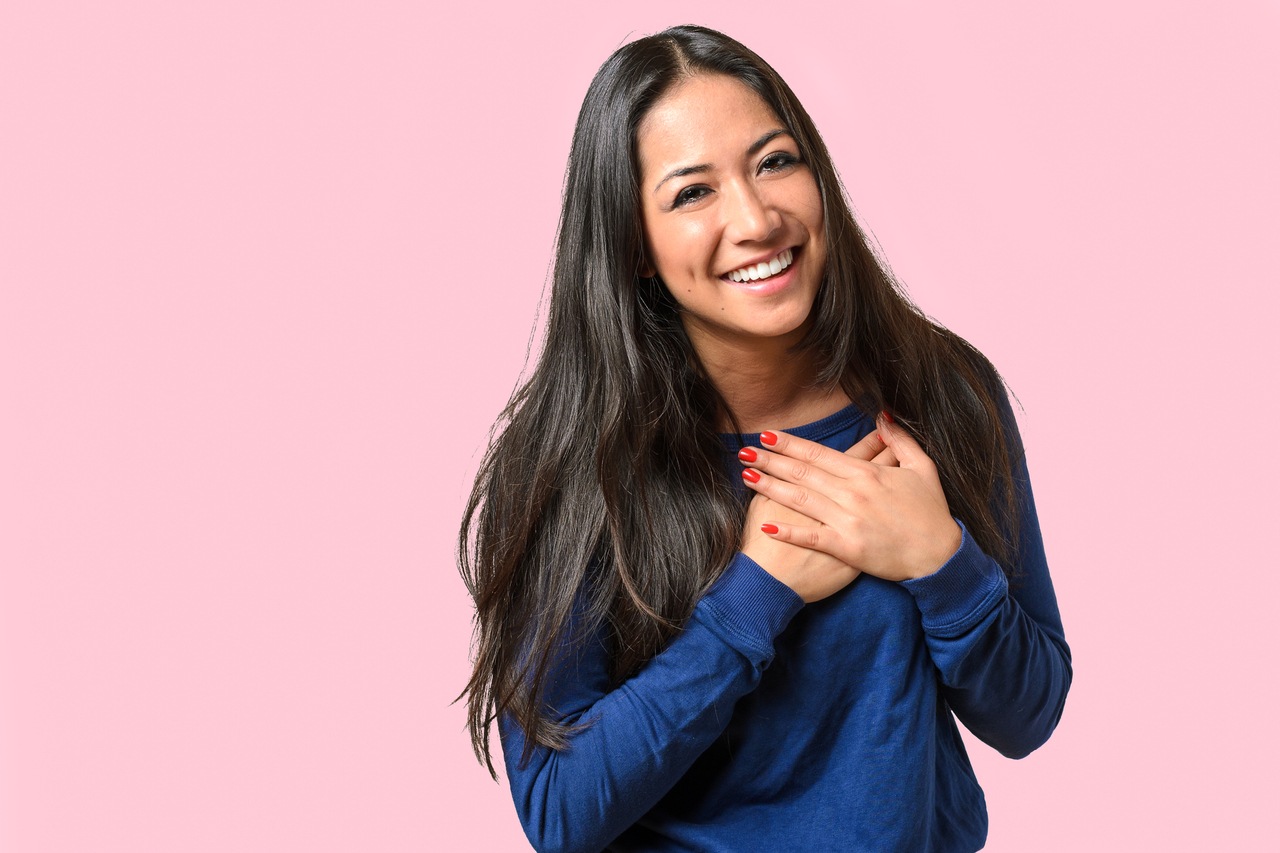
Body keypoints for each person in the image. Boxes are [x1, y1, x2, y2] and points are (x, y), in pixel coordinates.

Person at [458, 24, 1071, 853]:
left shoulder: (942, 393)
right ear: (635, 245)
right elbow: (561, 811)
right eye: (692, 193)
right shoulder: (569, 465)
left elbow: (1029, 714)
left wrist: (940, 558)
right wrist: (755, 594)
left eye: (775, 161)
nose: (755, 219)